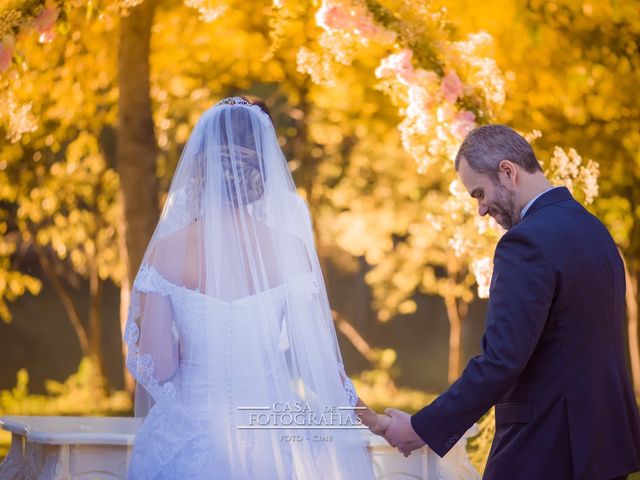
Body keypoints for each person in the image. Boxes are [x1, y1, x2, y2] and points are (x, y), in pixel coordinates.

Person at [123, 96, 388, 479]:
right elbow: (319, 371)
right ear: (261, 172)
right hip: (272, 434)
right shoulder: (289, 251)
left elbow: (158, 367)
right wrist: (372, 419)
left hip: (189, 436)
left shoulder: (167, 252)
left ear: (200, 169)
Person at [382, 124, 640, 479]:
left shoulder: (526, 242)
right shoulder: (595, 230)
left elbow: (502, 359)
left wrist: (420, 427)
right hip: (606, 447)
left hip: (546, 450)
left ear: (507, 171)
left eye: (479, 194)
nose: (481, 210)